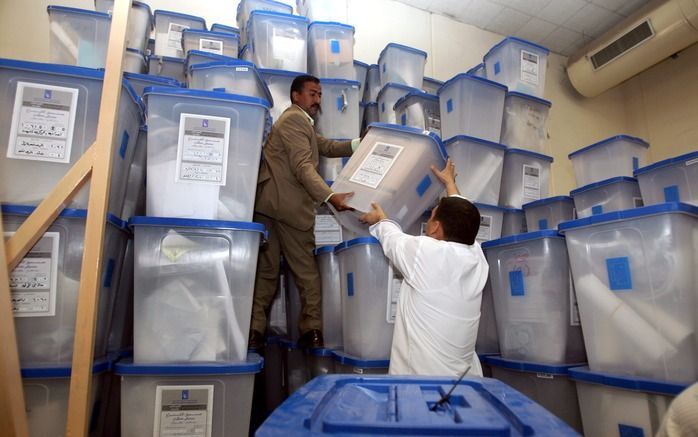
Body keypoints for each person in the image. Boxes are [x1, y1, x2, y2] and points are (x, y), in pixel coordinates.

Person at [249, 74, 358, 351]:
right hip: (288, 209)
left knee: (266, 273)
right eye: (312, 93)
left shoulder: (297, 122)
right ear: (296, 95)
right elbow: (303, 167)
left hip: (268, 206)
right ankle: (311, 332)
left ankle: (253, 333)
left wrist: (359, 144)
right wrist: (330, 197)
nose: (317, 100)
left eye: (319, 95)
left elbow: (326, 146)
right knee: (307, 274)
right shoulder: (295, 120)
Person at [359, 159, 488, 377]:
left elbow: (392, 239)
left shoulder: (426, 253)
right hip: (465, 382)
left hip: (422, 385)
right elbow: (464, 217)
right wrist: (450, 184)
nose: (428, 221)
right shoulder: (476, 256)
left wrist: (379, 219)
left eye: (431, 217)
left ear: (436, 227)